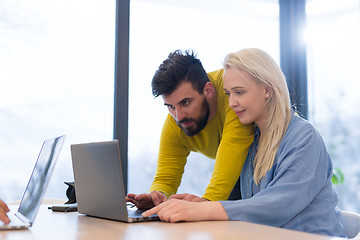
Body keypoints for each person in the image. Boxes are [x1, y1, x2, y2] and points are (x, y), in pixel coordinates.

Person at [142, 48, 346, 237]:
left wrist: (205, 207)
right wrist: (189, 204)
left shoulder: (304, 137)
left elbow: (276, 207)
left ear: (267, 89)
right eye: (229, 94)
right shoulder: (253, 144)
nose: (231, 103)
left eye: (239, 92)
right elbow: (247, 207)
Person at [126, 50, 254, 209]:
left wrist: (206, 202)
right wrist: (157, 196)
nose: (179, 116)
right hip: (240, 174)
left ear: (208, 90)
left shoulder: (231, 94)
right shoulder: (175, 124)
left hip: (273, 163)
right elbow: (165, 178)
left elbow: (235, 144)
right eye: (171, 106)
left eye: (185, 102)